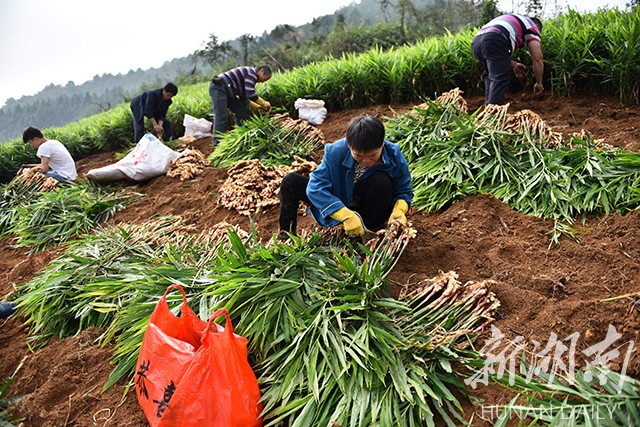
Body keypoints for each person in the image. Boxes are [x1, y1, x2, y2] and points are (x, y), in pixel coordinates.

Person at [279, 114, 413, 238]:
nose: (366, 161)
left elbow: (404, 191)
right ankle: (286, 236)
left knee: (381, 180)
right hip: (340, 200)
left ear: (382, 144)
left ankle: (369, 230)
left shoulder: (394, 155)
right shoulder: (335, 152)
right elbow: (315, 188)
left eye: (372, 155)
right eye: (359, 155)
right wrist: (345, 215)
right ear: (349, 145)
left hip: (371, 206)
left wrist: (399, 211)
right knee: (290, 181)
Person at [472, 14, 544, 105]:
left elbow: (497, 56)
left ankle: (489, 108)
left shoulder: (516, 20)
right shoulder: (532, 26)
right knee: (499, 78)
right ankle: (494, 113)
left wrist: (514, 65)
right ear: (537, 26)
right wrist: (539, 82)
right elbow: (537, 58)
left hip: (477, 42)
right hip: (495, 38)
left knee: (492, 77)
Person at [209, 65, 272, 146]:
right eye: (265, 78)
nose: (263, 82)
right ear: (261, 71)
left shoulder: (250, 79)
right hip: (219, 88)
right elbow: (250, 93)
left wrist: (258, 107)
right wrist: (264, 103)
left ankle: (239, 135)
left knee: (240, 109)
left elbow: (245, 99)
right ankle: (217, 143)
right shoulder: (251, 73)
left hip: (229, 92)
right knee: (221, 116)